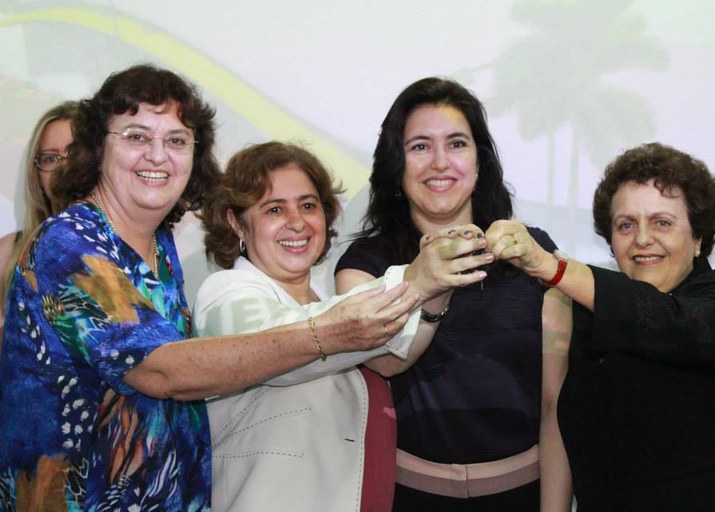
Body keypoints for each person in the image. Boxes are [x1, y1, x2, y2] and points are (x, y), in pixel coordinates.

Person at [0, 65, 422, 512]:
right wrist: (328, 333)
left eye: (177, 140)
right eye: (137, 136)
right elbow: (160, 372)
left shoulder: (156, 245)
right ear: (97, 148)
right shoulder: (69, 241)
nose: (158, 156)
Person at [193, 142, 490, 511]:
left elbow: (391, 358)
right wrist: (414, 280)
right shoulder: (225, 293)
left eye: (308, 205)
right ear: (237, 222)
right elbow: (277, 345)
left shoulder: (323, 298)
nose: (297, 222)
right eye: (274, 209)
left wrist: (434, 292)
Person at [484, 142, 715, 511]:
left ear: (698, 237)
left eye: (662, 222)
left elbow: (668, 322)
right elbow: (561, 427)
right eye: (626, 225)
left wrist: (551, 267)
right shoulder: (583, 316)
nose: (643, 239)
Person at [335, 77, 557, 511]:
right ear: (396, 165)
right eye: (420, 146)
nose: (440, 163)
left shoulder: (531, 252)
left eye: (456, 144)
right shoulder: (364, 264)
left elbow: (556, 402)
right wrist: (429, 285)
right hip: (409, 497)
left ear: (479, 162)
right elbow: (383, 360)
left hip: (524, 494)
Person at [0, 101, 78, 341]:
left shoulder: (131, 247)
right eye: (51, 158)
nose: (64, 168)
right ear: (36, 173)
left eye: (75, 153)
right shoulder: (9, 252)